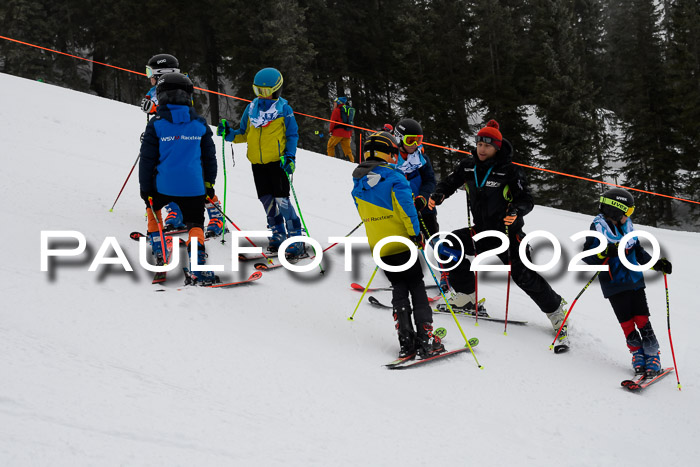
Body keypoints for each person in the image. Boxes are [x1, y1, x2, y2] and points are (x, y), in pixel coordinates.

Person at [428, 119, 569, 348]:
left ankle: (556, 310)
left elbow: (527, 200)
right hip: (482, 232)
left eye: (488, 145)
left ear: (497, 147)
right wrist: (439, 194)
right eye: (479, 144)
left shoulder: (509, 171)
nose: (482, 149)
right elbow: (450, 182)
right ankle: (466, 296)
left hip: (507, 234)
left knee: (523, 276)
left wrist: (516, 210)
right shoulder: (468, 165)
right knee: (447, 245)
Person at [352, 131, 445, 359]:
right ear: (389, 154)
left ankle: (406, 339)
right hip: (403, 242)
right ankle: (426, 338)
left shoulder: (358, 182)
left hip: (379, 246)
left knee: (399, 286)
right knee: (415, 284)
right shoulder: (395, 178)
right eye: (394, 153)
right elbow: (407, 211)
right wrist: (416, 235)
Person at [582, 188, 672, 376]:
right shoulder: (597, 228)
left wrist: (656, 263)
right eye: (628, 211)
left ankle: (653, 354)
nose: (629, 215)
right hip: (614, 284)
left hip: (634, 280)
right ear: (615, 209)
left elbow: (638, 251)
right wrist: (603, 252)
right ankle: (637, 354)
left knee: (642, 318)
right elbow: (587, 256)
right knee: (626, 323)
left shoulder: (627, 227)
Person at [217, 67, 305, 258]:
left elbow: (292, 135)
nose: (262, 96)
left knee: (282, 200)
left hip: (278, 162)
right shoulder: (251, 109)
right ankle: (277, 233)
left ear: (277, 90)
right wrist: (229, 134)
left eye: (266, 91)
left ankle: (296, 238)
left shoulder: (284, 109)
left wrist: (290, 157)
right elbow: (243, 134)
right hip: (257, 163)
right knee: (267, 200)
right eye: (258, 91)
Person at [139, 73, 218, 283]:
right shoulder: (200, 124)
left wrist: (145, 189)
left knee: (153, 211)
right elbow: (209, 158)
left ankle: (161, 254)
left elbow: (147, 160)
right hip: (194, 187)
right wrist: (209, 185)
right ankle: (198, 267)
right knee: (195, 224)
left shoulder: (156, 125)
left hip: (162, 186)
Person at [140, 54, 224, 237]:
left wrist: (154, 110)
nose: (148, 76)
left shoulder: (180, 84)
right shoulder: (156, 88)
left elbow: (181, 108)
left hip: (188, 138)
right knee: (167, 173)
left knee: (197, 176)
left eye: (150, 72)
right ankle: (176, 213)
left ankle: (216, 216)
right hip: (165, 137)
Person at [326, 96, 355, 162]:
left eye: (335, 103)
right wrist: (350, 134)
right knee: (347, 150)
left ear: (338, 103)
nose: (334, 104)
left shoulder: (336, 110)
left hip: (337, 133)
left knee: (330, 146)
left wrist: (330, 131)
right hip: (347, 133)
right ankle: (352, 162)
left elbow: (332, 122)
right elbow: (351, 123)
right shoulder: (348, 111)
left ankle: (330, 160)